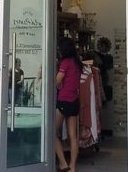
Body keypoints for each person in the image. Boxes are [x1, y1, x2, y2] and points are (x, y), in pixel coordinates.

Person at [54, 37, 81, 172]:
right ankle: (73, 167)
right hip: (74, 101)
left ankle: (63, 163)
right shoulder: (77, 62)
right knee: (73, 136)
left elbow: (57, 80)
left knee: (52, 132)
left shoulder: (65, 62)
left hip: (64, 100)